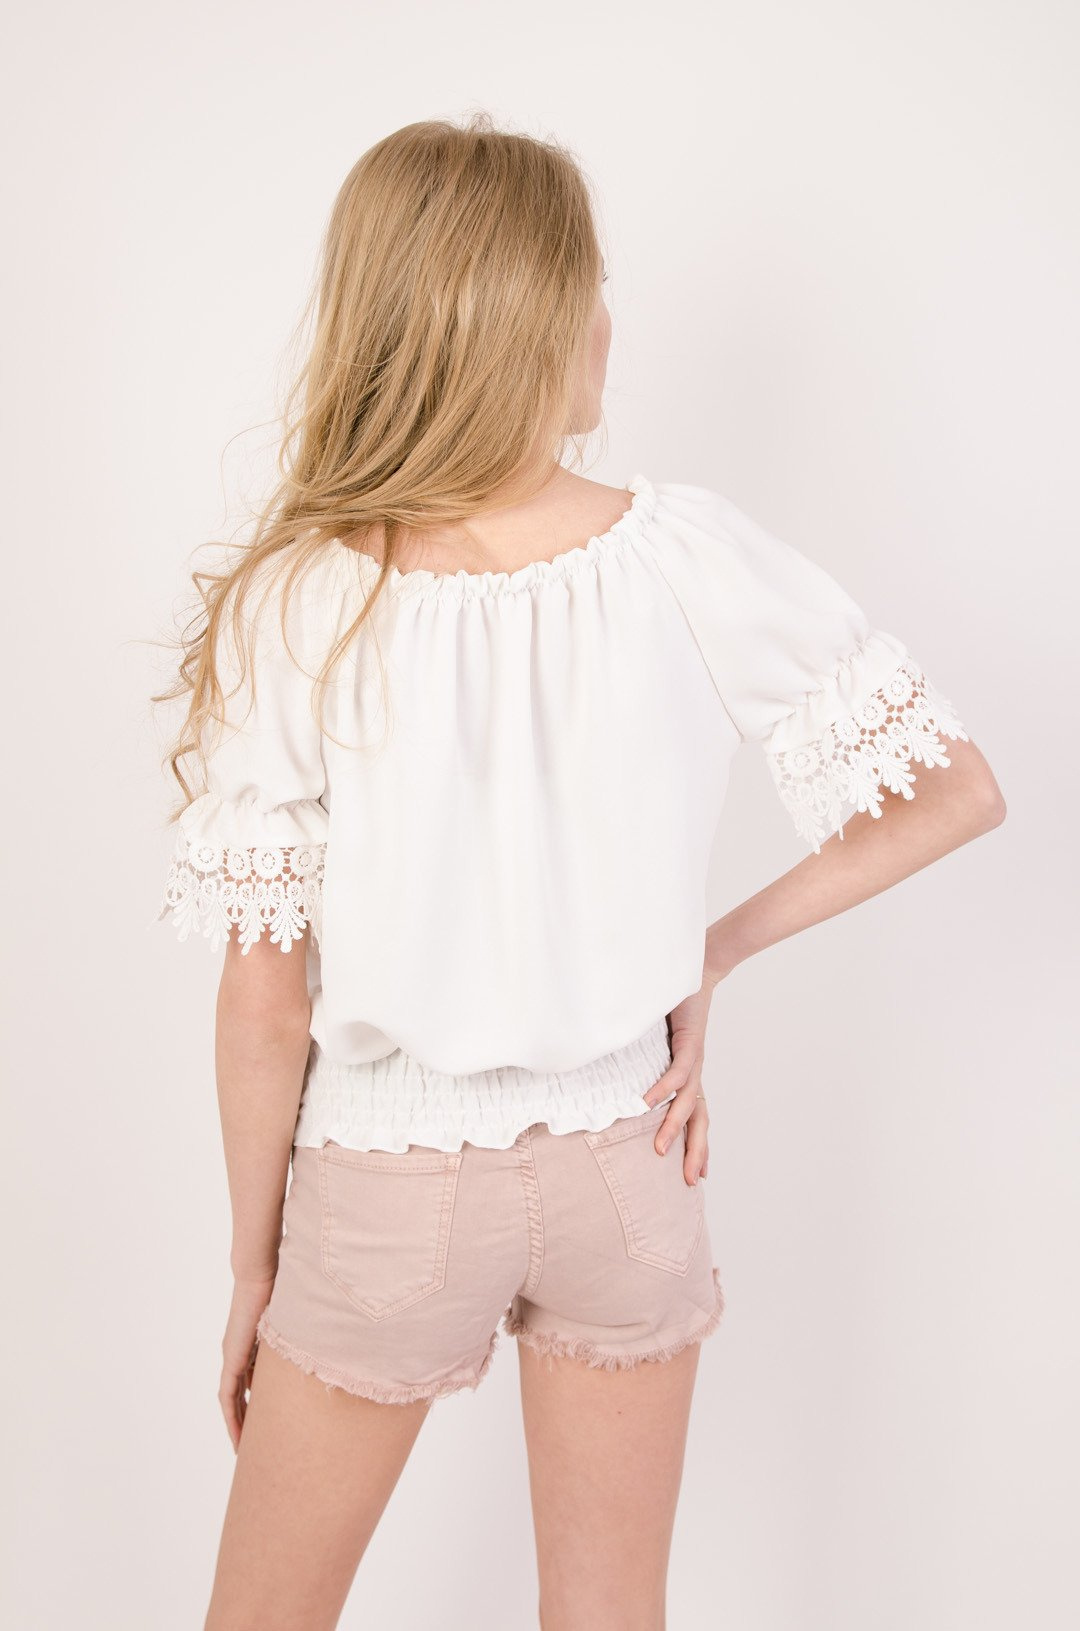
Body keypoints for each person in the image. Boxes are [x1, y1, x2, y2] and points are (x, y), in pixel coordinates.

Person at [153, 113, 1006, 1631]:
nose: (611, 319)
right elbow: (954, 792)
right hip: (629, 1166)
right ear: (533, 317)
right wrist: (709, 951)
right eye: (591, 287)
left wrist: (249, 1266)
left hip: (389, 1186)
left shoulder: (305, 602)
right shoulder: (685, 556)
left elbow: (263, 1000)